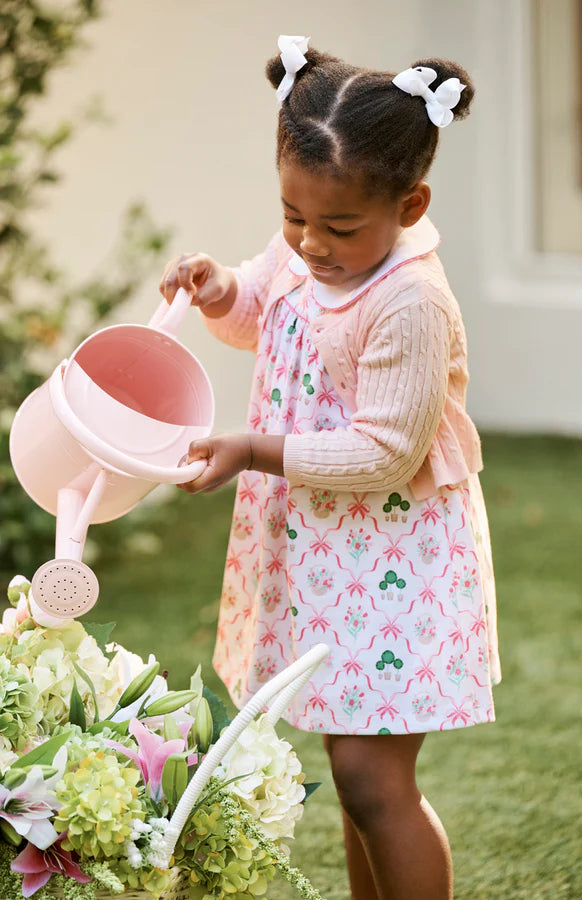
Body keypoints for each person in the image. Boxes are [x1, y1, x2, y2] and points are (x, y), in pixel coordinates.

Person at [159, 35, 501, 900]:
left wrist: (251, 451)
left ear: (410, 203)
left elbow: (386, 451)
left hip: (395, 562)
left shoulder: (409, 302)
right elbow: (261, 314)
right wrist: (218, 291)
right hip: (329, 556)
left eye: (339, 226)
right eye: (292, 217)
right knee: (354, 780)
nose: (309, 244)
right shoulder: (312, 249)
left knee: (372, 780)